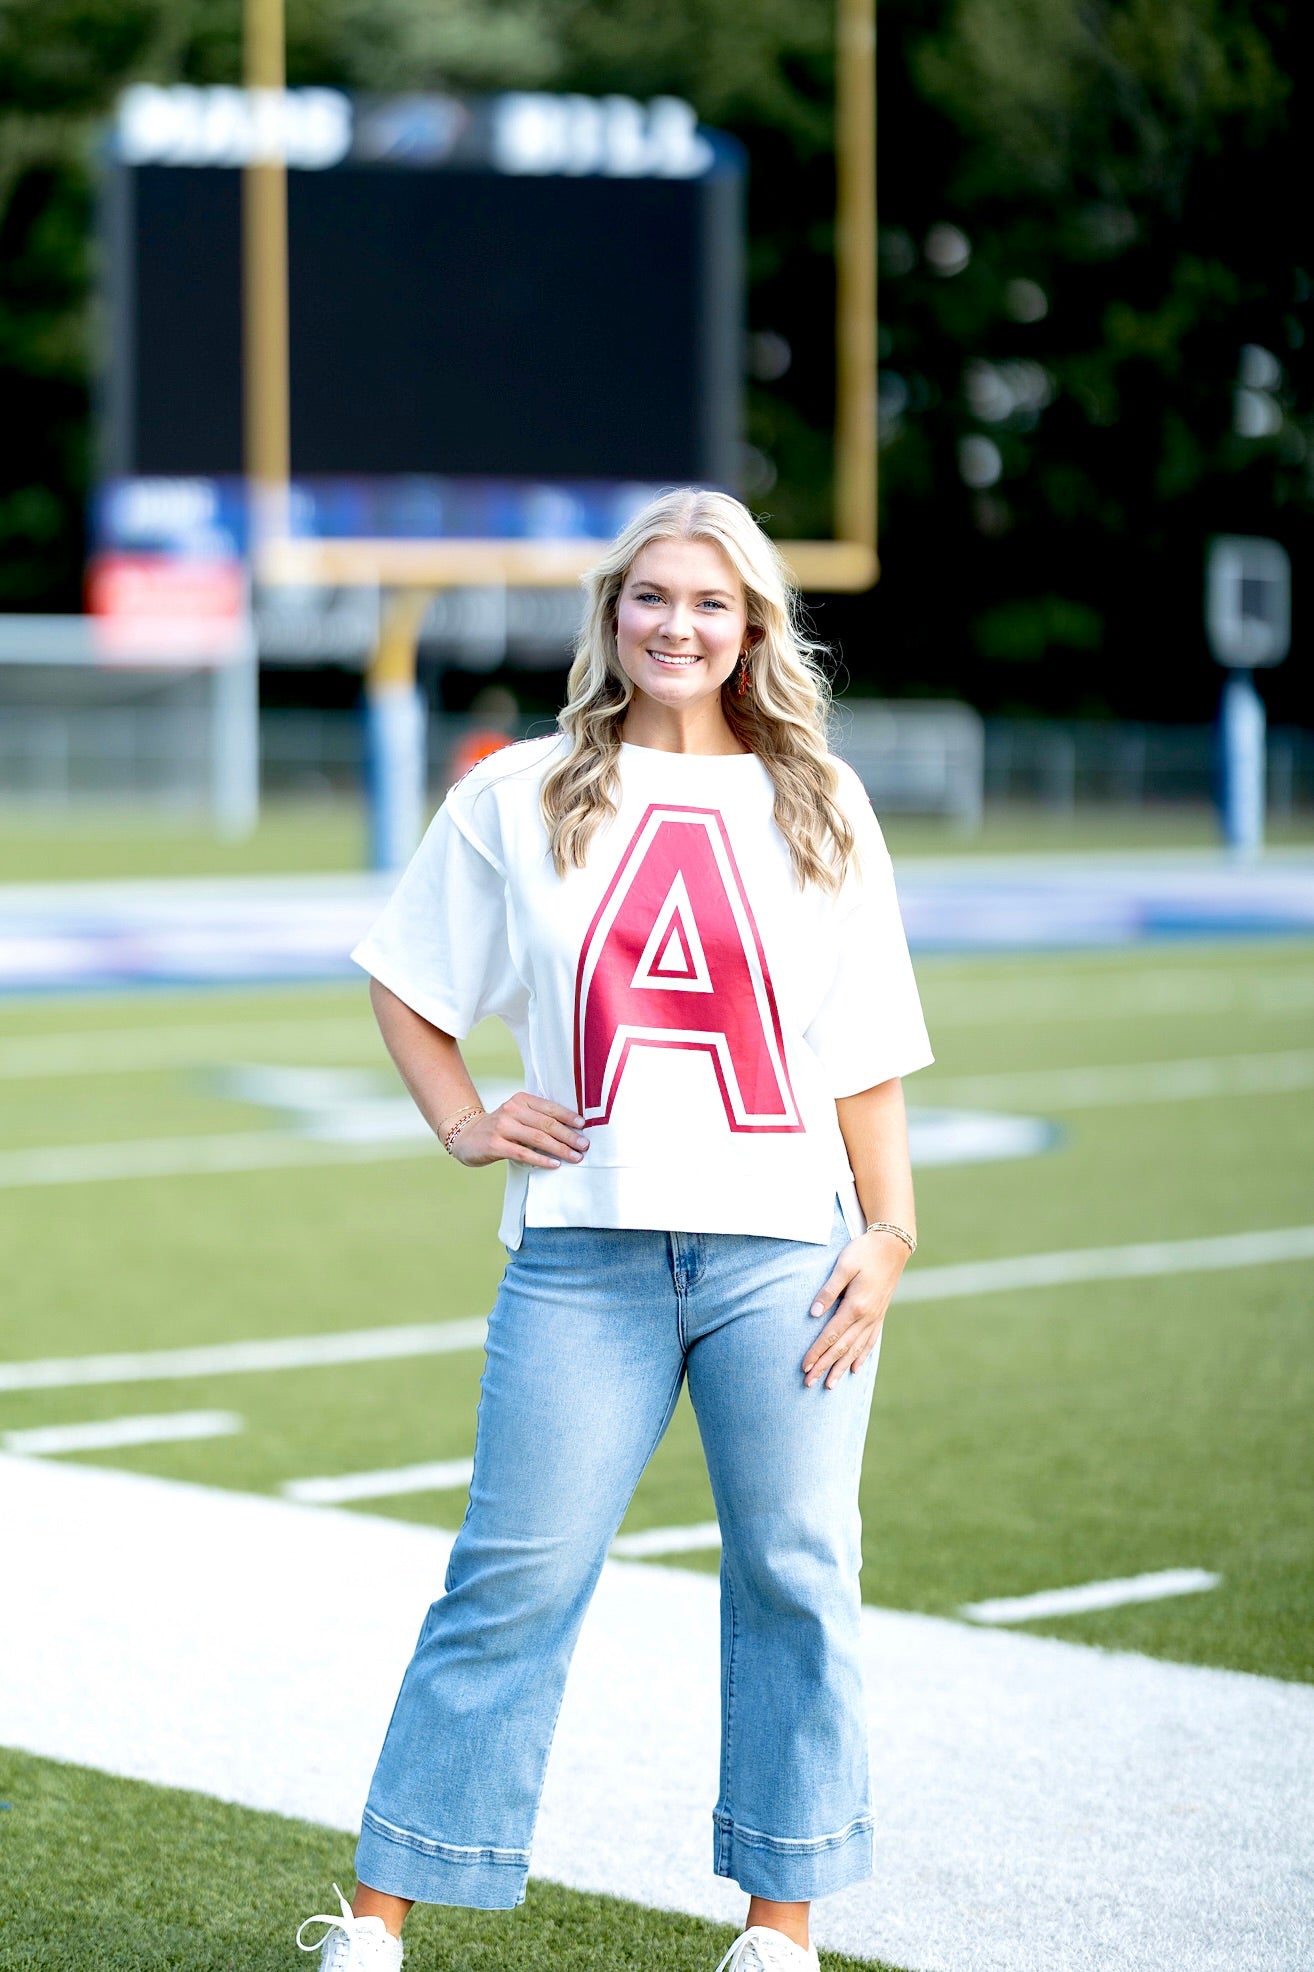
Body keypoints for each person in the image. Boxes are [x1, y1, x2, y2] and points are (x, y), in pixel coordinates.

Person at [295, 488, 933, 1972]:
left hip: (783, 1257)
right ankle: (378, 1916)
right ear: (611, 615)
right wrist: (460, 1118)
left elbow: (864, 1049)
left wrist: (888, 1233)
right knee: (509, 1576)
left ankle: (778, 1931)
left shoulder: (820, 802)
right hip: (583, 1258)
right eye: (652, 597)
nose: (678, 625)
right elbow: (408, 980)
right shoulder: (515, 793)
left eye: (711, 603)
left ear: (752, 625)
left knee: (793, 1570)